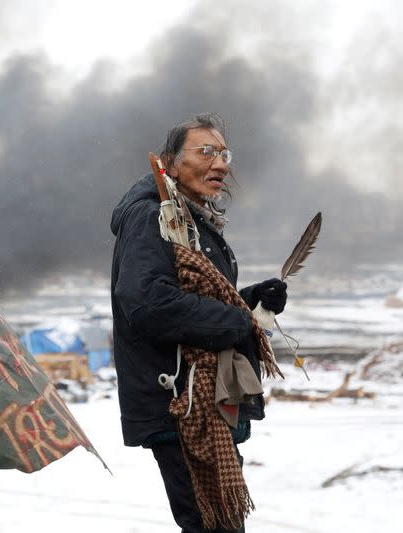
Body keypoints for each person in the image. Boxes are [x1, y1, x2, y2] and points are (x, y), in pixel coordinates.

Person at [110, 113, 287, 532]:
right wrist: (236, 321)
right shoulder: (150, 217)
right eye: (205, 152)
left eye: (224, 153)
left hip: (204, 405)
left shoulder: (189, 219)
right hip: (180, 404)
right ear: (170, 163)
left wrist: (249, 303)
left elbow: (193, 300)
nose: (221, 163)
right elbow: (147, 302)